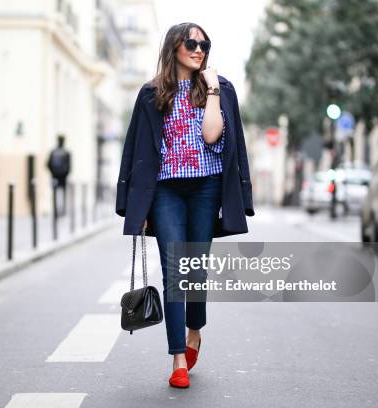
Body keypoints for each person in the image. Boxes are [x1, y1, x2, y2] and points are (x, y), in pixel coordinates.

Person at [115, 22, 255, 389]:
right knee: (175, 270)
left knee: (195, 270)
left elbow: (214, 135)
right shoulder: (151, 94)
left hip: (206, 189)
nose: (198, 49)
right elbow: (136, 150)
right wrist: (136, 204)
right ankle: (178, 357)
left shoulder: (220, 89)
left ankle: (195, 330)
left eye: (204, 44)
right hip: (165, 192)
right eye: (191, 43)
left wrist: (210, 88)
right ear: (173, 46)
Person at [47, 135, 71, 216]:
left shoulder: (53, 152)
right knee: (63, 193)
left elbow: (48, 164)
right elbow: (69, 166)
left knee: (55, 193)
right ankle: (62, 210)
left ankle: (55, 211)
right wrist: (65, 173)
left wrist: (53, 172)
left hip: (55, 176)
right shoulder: (66, 152)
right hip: (63, 177)